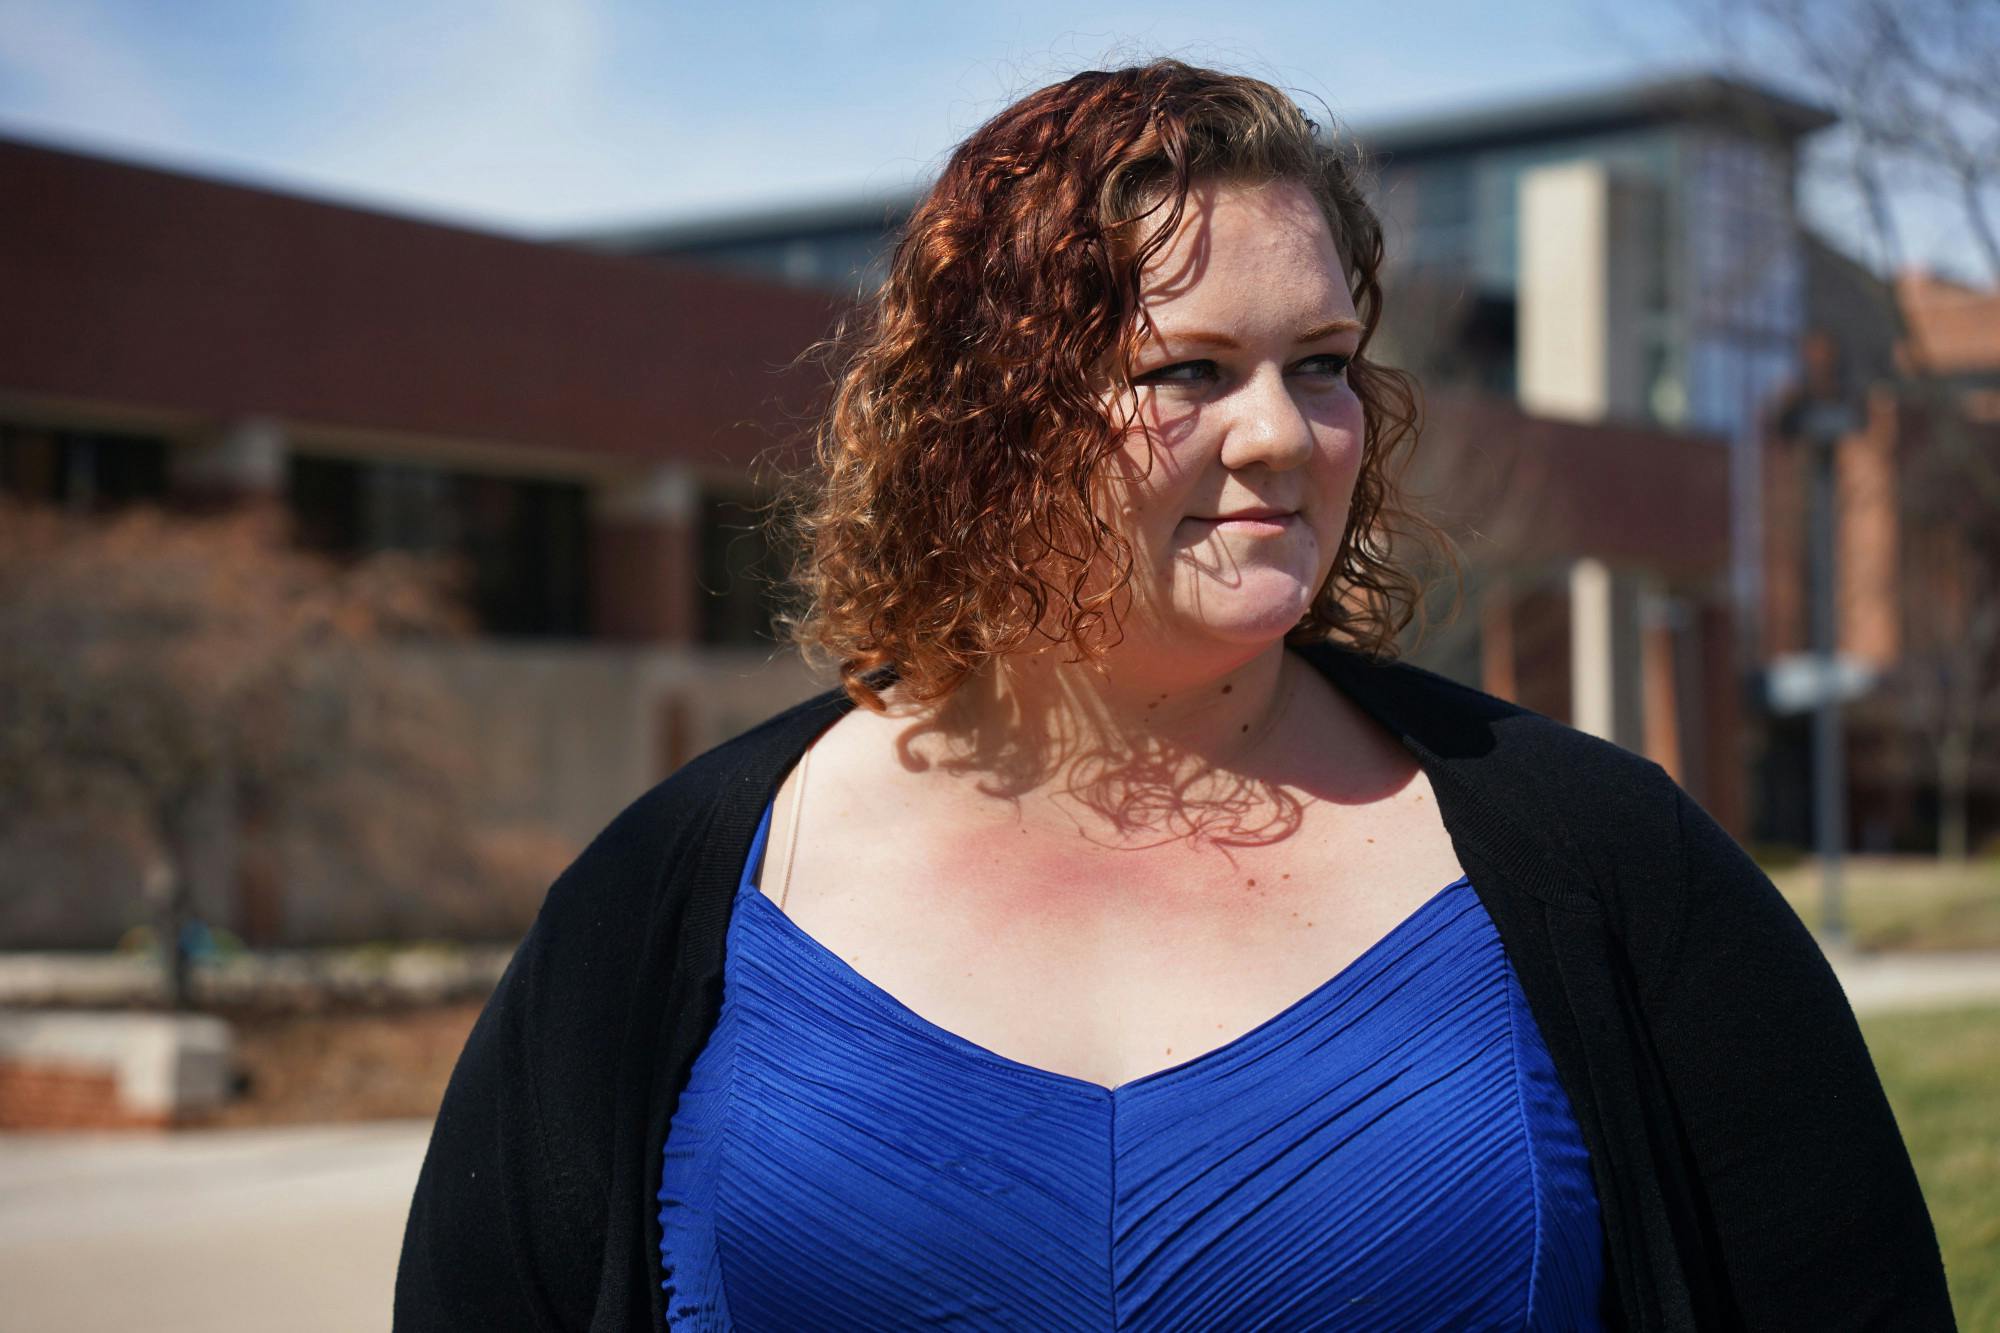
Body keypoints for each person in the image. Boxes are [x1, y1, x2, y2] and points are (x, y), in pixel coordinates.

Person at [395, 60, 1953, 1332]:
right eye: (1186, 372)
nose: (1285, 435)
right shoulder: (665, 904)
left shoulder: (1606, 865)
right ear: (983, 421)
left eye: (1324, 362)